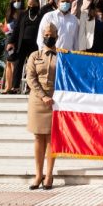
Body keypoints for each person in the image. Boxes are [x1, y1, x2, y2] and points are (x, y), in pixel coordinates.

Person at [26, 22, 59, 190]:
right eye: (46, 34)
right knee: (39, 137)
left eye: (52, 34)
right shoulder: (34, 55)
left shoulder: (63, 56)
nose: (49, 37)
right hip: (38, 100)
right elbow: (31, 78)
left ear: (57, 36)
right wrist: (43, 96)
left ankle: (49, 174)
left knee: (52, 138)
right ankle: (38, 174)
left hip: (56, 100)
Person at [7, 0, 43, 94]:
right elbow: (16, 29)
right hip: (21, 44)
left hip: (34, 45)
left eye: (33, 4)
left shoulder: (41, 15)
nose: (31, 6)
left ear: (37, 4)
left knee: (32, 67)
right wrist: (11, 42)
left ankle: (30, 88)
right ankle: (15, 87)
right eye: (29, 4)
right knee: (18, 65)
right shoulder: (22, 14)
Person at [0, 0, 23, 94]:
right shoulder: (8, 15)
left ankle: (14, 86)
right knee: (8, 63)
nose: (17, 2)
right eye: (15, 1)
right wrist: (1, 28)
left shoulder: (24, 13)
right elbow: (6, 30)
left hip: (18, 40)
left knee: (14, 63)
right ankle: (7, 87)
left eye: (18, 0)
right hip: (8, 40)